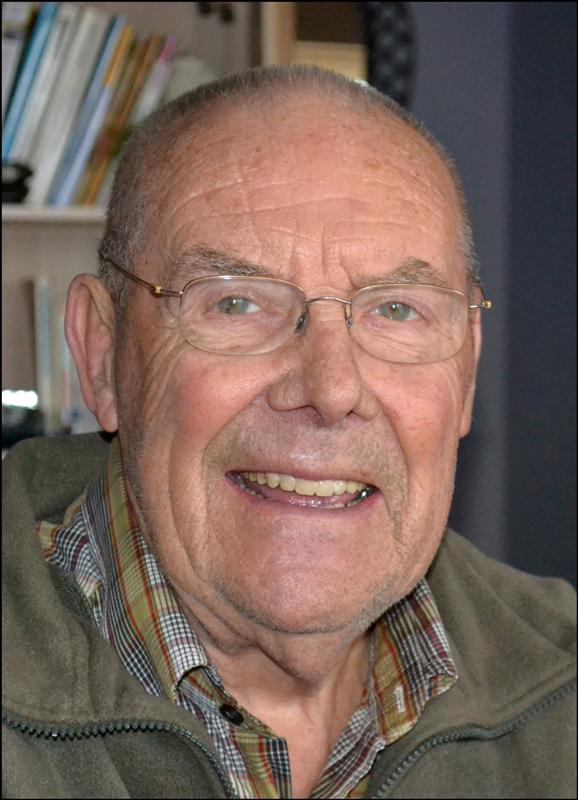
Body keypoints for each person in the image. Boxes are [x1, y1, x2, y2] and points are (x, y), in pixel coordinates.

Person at [2, 65, 575, 799]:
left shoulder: (562, 696)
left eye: (397, 310)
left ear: (465, 374)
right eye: (237, 303)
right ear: (102, 354)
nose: (331, 390)